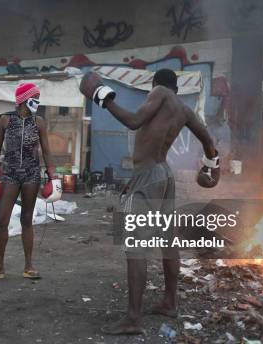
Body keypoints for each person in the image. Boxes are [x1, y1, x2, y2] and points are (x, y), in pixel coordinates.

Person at [79, 69, 219, 335]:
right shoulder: (184, 110)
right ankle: (170, 302)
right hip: (165, 175)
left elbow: (133, 121)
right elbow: (208, 141)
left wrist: (102, 96)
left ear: (156, 84)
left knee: (135, 246)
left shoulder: (160, 92)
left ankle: (132, 319)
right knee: (168, 242)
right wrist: (213, 165)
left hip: (149, 175)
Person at [0, 82, 58, 282]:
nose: (38, 102)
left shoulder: (39, 122)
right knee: (2, 220)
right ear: (23, 99)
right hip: (10, 174)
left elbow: (46, 151)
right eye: (35, 98)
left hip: (31, 174)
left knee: (26, 219)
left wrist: (54, 178)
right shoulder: (5, 120)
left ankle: (29, 266)